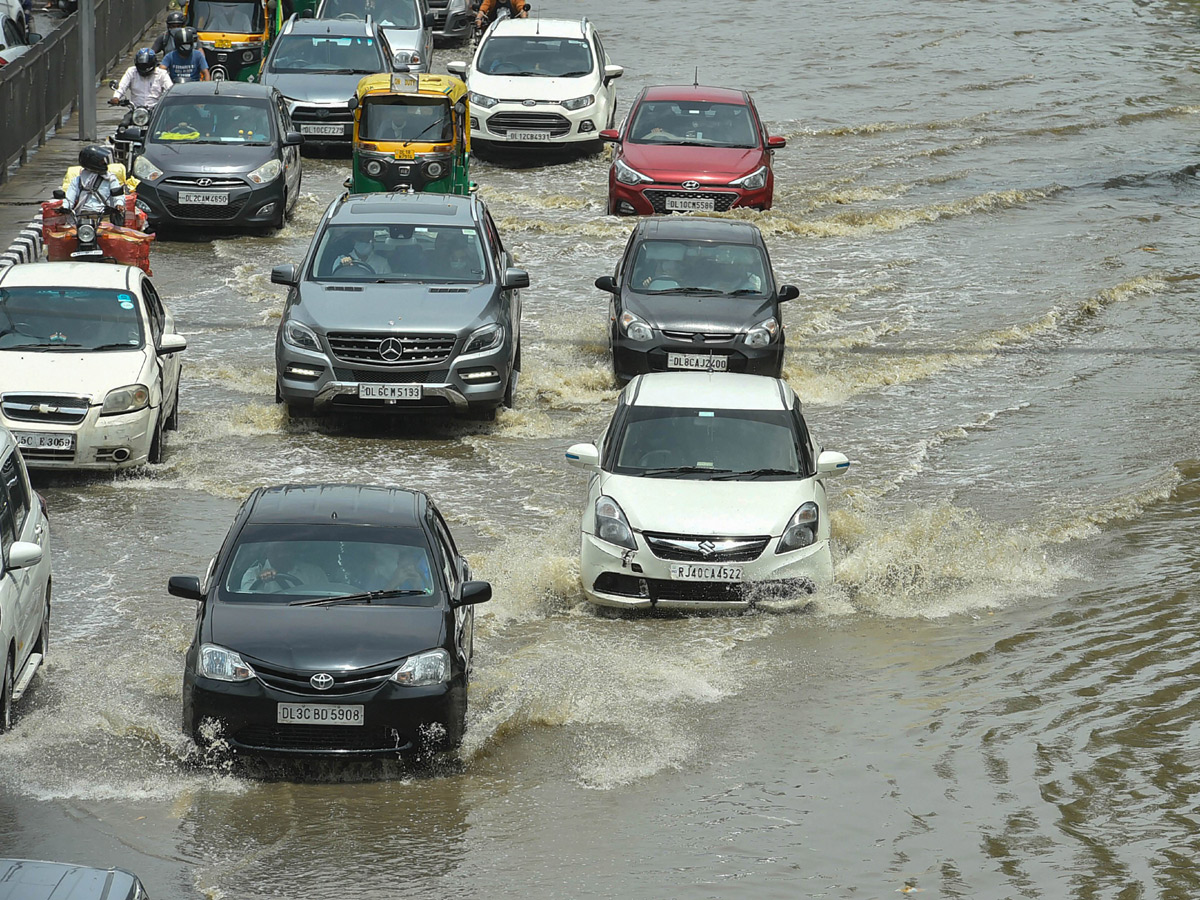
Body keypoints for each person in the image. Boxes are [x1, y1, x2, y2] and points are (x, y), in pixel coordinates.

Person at [63, 145, 125, 225]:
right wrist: (64, 207)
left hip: (104, 217)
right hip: (82, 218)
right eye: (101, 161)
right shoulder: (78, 180)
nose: (104, 163)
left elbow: (118, 195)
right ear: (92, 162)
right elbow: (69, 199)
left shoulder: (110, 179)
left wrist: (119, 204)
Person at [239, 542, 328, 593]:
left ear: (294, 552)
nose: (281, 555)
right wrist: (259, 580)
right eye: (275, 550)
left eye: (285, 550)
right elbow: (245, 606)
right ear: (266, 552)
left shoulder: (314, 573)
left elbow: (325, 602)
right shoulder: (252, 575)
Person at [109, 48, 173, 112]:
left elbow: (170, 89)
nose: (144, 67)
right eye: (141, 65)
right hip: (136, 110)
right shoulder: (131, 72)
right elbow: (122, 86)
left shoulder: (162, 74)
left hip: (156, 111)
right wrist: (116, 97)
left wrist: (169, 99)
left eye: (146, 65)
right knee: (125, 122)